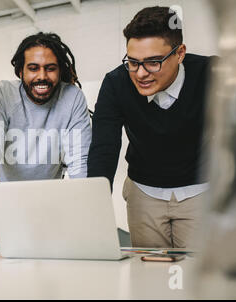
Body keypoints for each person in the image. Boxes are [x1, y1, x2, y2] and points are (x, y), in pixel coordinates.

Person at [88, 6, 216, 248]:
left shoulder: (213, 74)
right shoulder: (116, 83)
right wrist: (94, 207)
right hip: (144, 194)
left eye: (153, 62)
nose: (141, 73)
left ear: (180, 53)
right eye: (133, 62)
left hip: (200, 192)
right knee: (150, 276)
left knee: (196, 278)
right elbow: (104, 147)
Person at [0, 32, 92, 254]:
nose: (42, 76)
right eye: (34, 68)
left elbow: (80, 161)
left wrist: (83, 212)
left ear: (60, 70)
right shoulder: (1, 94)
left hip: (47, 203)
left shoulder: (72, 98)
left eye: (50, 68)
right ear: (20, 71)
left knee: (46, 274)